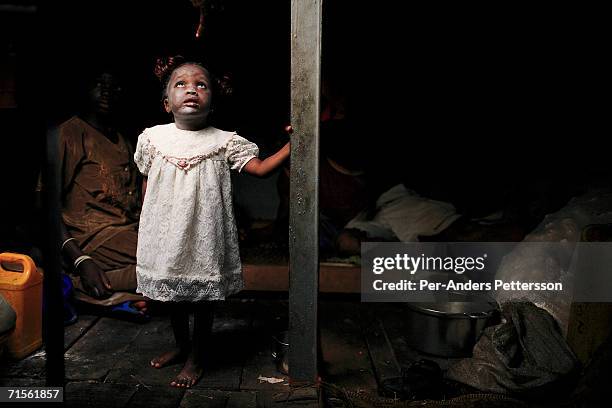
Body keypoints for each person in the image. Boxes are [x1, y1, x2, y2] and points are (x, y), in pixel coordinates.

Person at [133, 55, 290, 388]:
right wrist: (146, 218)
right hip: (165, 230)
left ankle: (197, 357)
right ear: (166, 103)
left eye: (201, 85)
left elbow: (260, 169)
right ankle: (181, 345)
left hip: (204, 231)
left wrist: (296, 143)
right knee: (172, 293)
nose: (192, 90)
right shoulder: (151, 138)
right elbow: (146, 177)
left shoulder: (224, 141)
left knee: (201, 299)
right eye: (181, 84)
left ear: (213, 102)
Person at [57, 69, 148, 321]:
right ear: (84, 89)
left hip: (127, 233)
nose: (107, 91)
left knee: (175, 259)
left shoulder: (124, 140)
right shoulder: (70, 133)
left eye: (114, 86)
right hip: (92, 238)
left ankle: (85, 288)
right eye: (99, 83)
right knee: (169, 262)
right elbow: (44, 205)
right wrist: (80, 258)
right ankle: (75, 278)